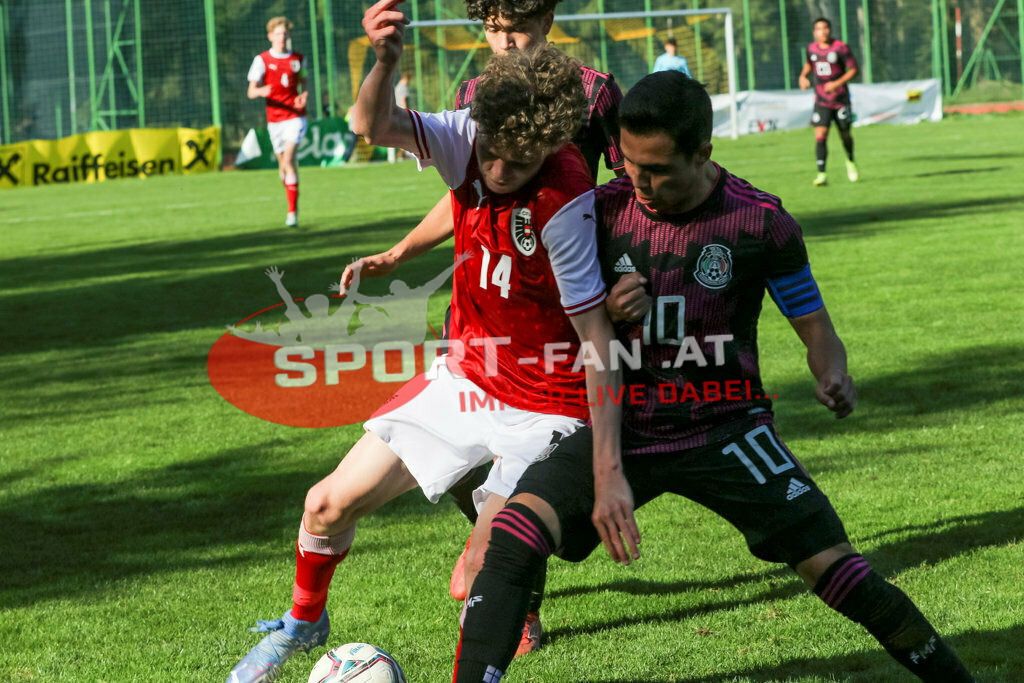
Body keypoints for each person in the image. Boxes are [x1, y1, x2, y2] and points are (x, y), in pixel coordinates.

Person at [452, 72, 973, 682]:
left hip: (726, 427)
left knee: (840, 573)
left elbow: (816, 327)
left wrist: (832, 372)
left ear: (703, 152)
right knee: (513, 533)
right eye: (631, 165)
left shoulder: (760, 222)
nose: (640, 183)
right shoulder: (600, 210)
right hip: (624, 426)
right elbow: (566, 325)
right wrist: (609, 313)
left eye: (658, 170)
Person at [225, 1, 621, 681]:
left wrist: (606, 463)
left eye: (518, 159)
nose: (497, 169)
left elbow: (597, 341)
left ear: (549, 146)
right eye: (489, 152)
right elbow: (370, 125)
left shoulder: (566, 200)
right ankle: (304, 621)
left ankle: (501, 613)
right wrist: (385, 61)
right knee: (324, 504)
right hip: (467, 374)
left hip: (547, 402)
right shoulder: (469, 130)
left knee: (478, 573)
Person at [247, 16, 308, 227]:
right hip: (275, 121)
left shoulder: (298, 58)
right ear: (270, 36)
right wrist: (261, 91)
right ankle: (292, 197)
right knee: (283, 166)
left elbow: (304, 81)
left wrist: (304, 95)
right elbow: (251, 91)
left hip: (296, 117)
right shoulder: (261, 60)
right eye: (278, 34)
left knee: (288, 161)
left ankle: (292, 213)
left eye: (285, 34)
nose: (282, 37)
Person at [798, 17, 859, 186]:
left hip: (840, 100)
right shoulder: (811, 48)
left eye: (825, 28)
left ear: (830, 30)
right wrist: (803, 76)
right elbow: (809, 64)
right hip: (821, 100)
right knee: (820, 135)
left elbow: (854, 70)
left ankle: (851, 160)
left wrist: (837, 84)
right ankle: (822, 174)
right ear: (814, 32)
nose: (823, 32)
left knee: (845, 134)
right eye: (819, 29)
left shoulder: (841, 47)